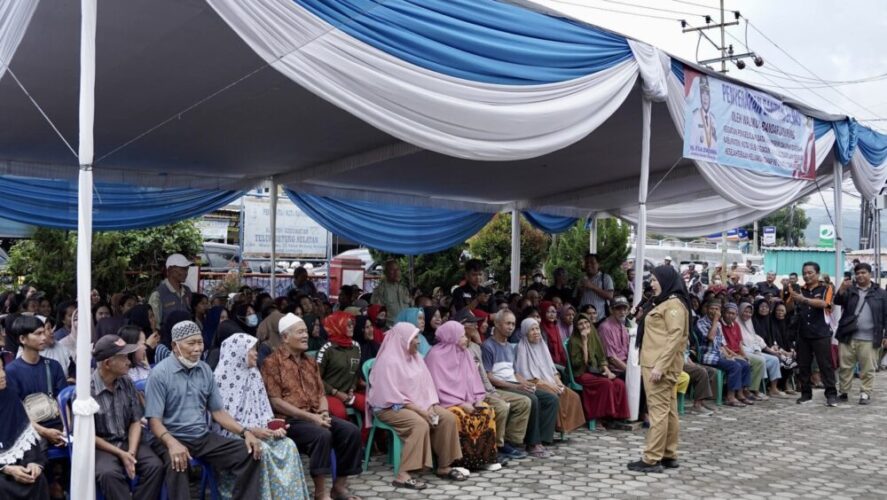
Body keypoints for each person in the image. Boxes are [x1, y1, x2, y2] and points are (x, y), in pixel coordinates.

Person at [145, 320, 262, 499]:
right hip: (169, 436)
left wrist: (245, 432)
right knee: (177, 463)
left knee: (248, 453)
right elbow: (154, 422)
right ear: (175, 346)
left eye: (200, 342)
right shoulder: (160, 374)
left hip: (200, 437)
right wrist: (172, 443)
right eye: (191, 343)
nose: (198, 348)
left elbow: (218, 412)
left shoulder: (205, 369)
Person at [261, 314, 363, 500]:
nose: (305, 335)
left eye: (306, 332)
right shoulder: (272, 362)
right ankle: (320, 494)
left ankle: (339, 488)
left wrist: (323, 412)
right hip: (289, 421)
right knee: (322, 435)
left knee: (351, 431)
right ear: (285, 337)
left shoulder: (310, 362)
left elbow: (320, 394)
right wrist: (312, 418)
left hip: (315, 415)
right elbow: (275, 401)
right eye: (300, 332)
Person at [369, 322, 466, 490]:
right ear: (403, 339)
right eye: (414, 338)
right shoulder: (388, 361)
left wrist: (429, 406)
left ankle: (444, 466)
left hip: (419, 404)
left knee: (448, 418)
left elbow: (427, 387)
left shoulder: (417, 358)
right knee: (419, 424)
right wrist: (422, 412)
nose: (419, 342)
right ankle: (403, 474)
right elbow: (393, 398)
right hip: (391, 408)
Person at [212, 333, 310, 499]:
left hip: (259, 432)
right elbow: (220, 422)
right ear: (238, 351)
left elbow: (264, 411)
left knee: (288, 445)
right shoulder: (220, 378)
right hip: (233, 436)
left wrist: (273, 428)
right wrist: (250, 431)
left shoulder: (254, 374)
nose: (256, 353)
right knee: (261, 450)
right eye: (251, 349)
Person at [628, 265, 690, 474]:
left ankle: (651, 458)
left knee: (658, 413)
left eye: (655, 280)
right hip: (657, 363)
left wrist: (660, 367)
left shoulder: (673, 305)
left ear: (666, 280)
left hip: (659, 366)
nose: (651, 284)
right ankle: (669, 454)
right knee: (669, 410)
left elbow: (675, 337)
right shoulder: (662, 302)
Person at [91, 335, 165, 500]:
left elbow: (135, 420)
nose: (129, 361)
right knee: (109, 473)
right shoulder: (87, 391)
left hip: (127, 440)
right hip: (102, 446)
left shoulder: (126, 382)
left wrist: (130, 452)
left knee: (155, 466)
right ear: (108, 363)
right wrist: (120, 454)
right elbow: (88, 436)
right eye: (123, 357)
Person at [424, 321, 499, 471]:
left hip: (468, 400)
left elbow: (474, 381)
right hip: (444, 403)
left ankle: (483, 459)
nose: (466, 339)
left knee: (486, 411)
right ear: (451, 337)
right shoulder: (435, 356)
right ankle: (458, 462)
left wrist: (477, 399)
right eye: (462, 336)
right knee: (458, 416)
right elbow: (436, 390)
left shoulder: (465, 353)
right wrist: (460, 403)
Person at [482, 310, 558, 458]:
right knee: (532, 399)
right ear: (497, 324)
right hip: (500, 386)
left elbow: (515, 372)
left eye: (513, 324)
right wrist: (516, 386)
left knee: (550, 398)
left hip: (514, 383)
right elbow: (488, 377)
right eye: (507, 323)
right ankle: (532, 443)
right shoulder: (488, 346)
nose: (511, 327)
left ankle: (542, 440)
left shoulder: (510, 347)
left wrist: (526, 383)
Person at [461, 311, 530, 461]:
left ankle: (511, 443)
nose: (475, 325)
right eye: (471, 323)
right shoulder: (462, 348)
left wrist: (491, 391)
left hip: (485, 390)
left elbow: (483, 376)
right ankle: (497, 447)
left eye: (475, 322)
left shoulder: (475, 347)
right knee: (502, 406)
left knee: (525, 401)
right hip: (470, 395)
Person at [5, 316, 68, 448]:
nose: (44, 337)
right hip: (29, 429)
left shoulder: (53, 365)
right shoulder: (11, 371)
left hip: (57, 424)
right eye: (38, 334)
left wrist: (66, 430)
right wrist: (45, 432)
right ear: (22, 339)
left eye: (43, 332)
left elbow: (63, 402)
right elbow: (16, 413)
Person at [516, 318, 586, 433]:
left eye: (537, 329)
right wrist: (550, 385)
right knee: (553, 394)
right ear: (525, 332)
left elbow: (552, 370)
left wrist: (558, 382)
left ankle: (565, 427)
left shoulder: (542, 345)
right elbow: (527, 376)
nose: (536, 332)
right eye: (532, 330)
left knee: (572, 395)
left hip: (548, 381)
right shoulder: (522, 348)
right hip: (534, 383)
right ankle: (556, 427)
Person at [784, 262, 838, 406]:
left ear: (817, 274)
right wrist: (790, 295)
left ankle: (831, 395)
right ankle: (806, 394)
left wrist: (804, 300)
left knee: (825, 365)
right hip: (803, 333)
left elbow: (826, 305)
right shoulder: (799, 289)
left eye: (810, 273)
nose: (807, 276)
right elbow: (788, 308)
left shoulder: (827, 288)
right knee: (803, 366)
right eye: (805, 273)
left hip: (821, 333)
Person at [834, 262, 886, 405]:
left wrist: (885, 335)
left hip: (870, 337)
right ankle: (843, 392)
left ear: (870, 274)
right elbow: (837, 301)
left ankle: (865, 393)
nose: (860, 276)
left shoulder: (880, 293)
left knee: (867, 367)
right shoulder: (850, 290)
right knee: (845, 366)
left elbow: (885, 315)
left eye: (863, 273)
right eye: (857, 273)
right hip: (847, 336)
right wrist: (841, 290)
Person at [0, 358, 49, 500]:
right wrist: (7, 468)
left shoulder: (10, 396)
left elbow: (25, 433)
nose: (2, 374)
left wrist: (33, 462)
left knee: (36, 479)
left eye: (2, 368)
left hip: (15, 459)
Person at [567, 312, 630, 423]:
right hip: (581, 373)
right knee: (606, 384)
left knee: (619, 383)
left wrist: (608, 371)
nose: (584, 326)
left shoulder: (594, 335)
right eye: (580, 324)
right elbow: (581, 364)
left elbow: (601, 358)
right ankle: (602, 417)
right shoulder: (574, 340)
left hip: (595, 371)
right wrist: (584, 342)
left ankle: (618, 416)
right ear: (576, 326)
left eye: (586, 322)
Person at [697, 302, 752, 406]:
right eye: (712, 308)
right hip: (708, 356)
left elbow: (722, 344)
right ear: (707, 309)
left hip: (718, 354)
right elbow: (710, 337)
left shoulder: (718, 324)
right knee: (734, 366)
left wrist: (730, 355)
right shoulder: (702, 322)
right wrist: (714, 321)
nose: (714, 311)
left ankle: (739, 394)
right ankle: (730, 397)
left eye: (717, 309)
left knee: (744, 364)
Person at [317, 312, 366, 425]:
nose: (351, 327)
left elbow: (355, 373)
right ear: (337, 327)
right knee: (340, 414)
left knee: (371, 407)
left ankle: (365, 441)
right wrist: (336, 392)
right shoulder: (327, 349)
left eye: (352, 324)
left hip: (349, 392)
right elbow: (316, 378)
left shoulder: (355, 346)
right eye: (347, 325)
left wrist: (352, 388)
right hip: (329, 394)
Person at [740, 301, 785, 397]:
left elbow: (757, 339)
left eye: (749, 312)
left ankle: (773, 388)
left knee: (774, 359)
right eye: (745, 311)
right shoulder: (736, 323)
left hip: (755, 350)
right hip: (743, 351)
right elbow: (741, 342)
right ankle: (754, 389)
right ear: (740, 311)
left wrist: (772, 351)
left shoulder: (749, 322)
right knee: (760, 360)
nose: (747, 314)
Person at [147, 253, 194, 328]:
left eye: (187, 269)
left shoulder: (187, 291)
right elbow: (155, 324)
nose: (186, 273)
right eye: (182, 269)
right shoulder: (158, 294)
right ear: (170, 270)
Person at [596, 297, 631, 376]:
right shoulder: (605, 328)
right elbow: (612, 358)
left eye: (625, 309)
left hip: (626, 366)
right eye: (618, 309)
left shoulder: (622, 325)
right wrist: (630, 371)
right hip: (615, 370)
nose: (622, 312)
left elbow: (628, 350)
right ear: (611, 310)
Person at [370, 260, 411, 327]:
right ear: (386, 272)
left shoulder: (404, 289)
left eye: (398, 269)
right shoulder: (380, 290)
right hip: (389, 328)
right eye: (392, 270)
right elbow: (376, 312)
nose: (396, 272)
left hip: (405, 327)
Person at [575, 254, 614, 321]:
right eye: (587, 263)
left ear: (598, 264)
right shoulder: (581, 279)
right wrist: (580, 292)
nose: (589, 265)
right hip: (584, 320)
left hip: (600, 318)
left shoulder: (605, 278)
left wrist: (592, 286)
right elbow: (576, 300)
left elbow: (610, 296)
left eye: (592, 262)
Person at [537, 301, 569, 366]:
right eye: (548, 312)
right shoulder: (541, 329)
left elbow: (561, 349)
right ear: (543, 313)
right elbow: (544, 350)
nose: (551, 315)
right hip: (548, 363)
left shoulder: (555, 327)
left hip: (559, 361)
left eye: (553, 312)